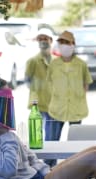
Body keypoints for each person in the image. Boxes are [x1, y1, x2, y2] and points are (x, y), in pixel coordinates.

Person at [46, 30, 92, 166]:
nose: (64, 45)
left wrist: (78, 96)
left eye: (67, 42)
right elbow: (49, 83)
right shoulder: (53, 64)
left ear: (73, 45)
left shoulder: (81, 64)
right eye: (61, 43)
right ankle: (48, 169)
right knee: (52, 143)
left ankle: (75, 168)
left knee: (76, 144)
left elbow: (86, 83)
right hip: (57, 108)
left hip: (76, 108)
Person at [25, 28, 54, 166]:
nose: (43, 41)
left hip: (53, 105)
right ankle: (37, 166)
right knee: (37, 137)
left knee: (51, 138)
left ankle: (50, 166)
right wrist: (37, 88)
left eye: (45, 38)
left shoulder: (56, 61)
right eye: (40, 39)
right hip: (38, 104)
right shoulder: (32, 61)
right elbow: (27, 79)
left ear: (51, 41)